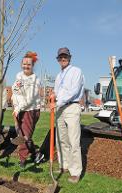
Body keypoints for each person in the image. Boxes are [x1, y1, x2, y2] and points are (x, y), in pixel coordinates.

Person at [54, 47, 84, 183]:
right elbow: (56, 92)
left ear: (69, 57)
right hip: (60, 109)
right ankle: (64, 166)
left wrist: (58, 101)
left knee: (73, 141)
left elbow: (73, 91)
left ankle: (76, 172)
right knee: (61, 140)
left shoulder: (76, 71)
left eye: (65, 56)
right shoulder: (58, 76)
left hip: (72, 106)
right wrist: (52, 99)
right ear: (57, 59)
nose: (63, 59)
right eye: (60, 57)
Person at [11, 51, 41, 168]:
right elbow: (16, 90)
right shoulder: (19, 76)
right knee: (21, 133)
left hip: (31, 110)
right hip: (19, 109)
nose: (26, 66)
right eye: (24, 64)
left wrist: (18, 107)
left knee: (25, 136)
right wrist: (14, 102)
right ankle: (36, 154)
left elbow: (29, 99)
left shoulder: (35, 80)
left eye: (29, 64)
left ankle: (22, 160)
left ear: (33, 65)